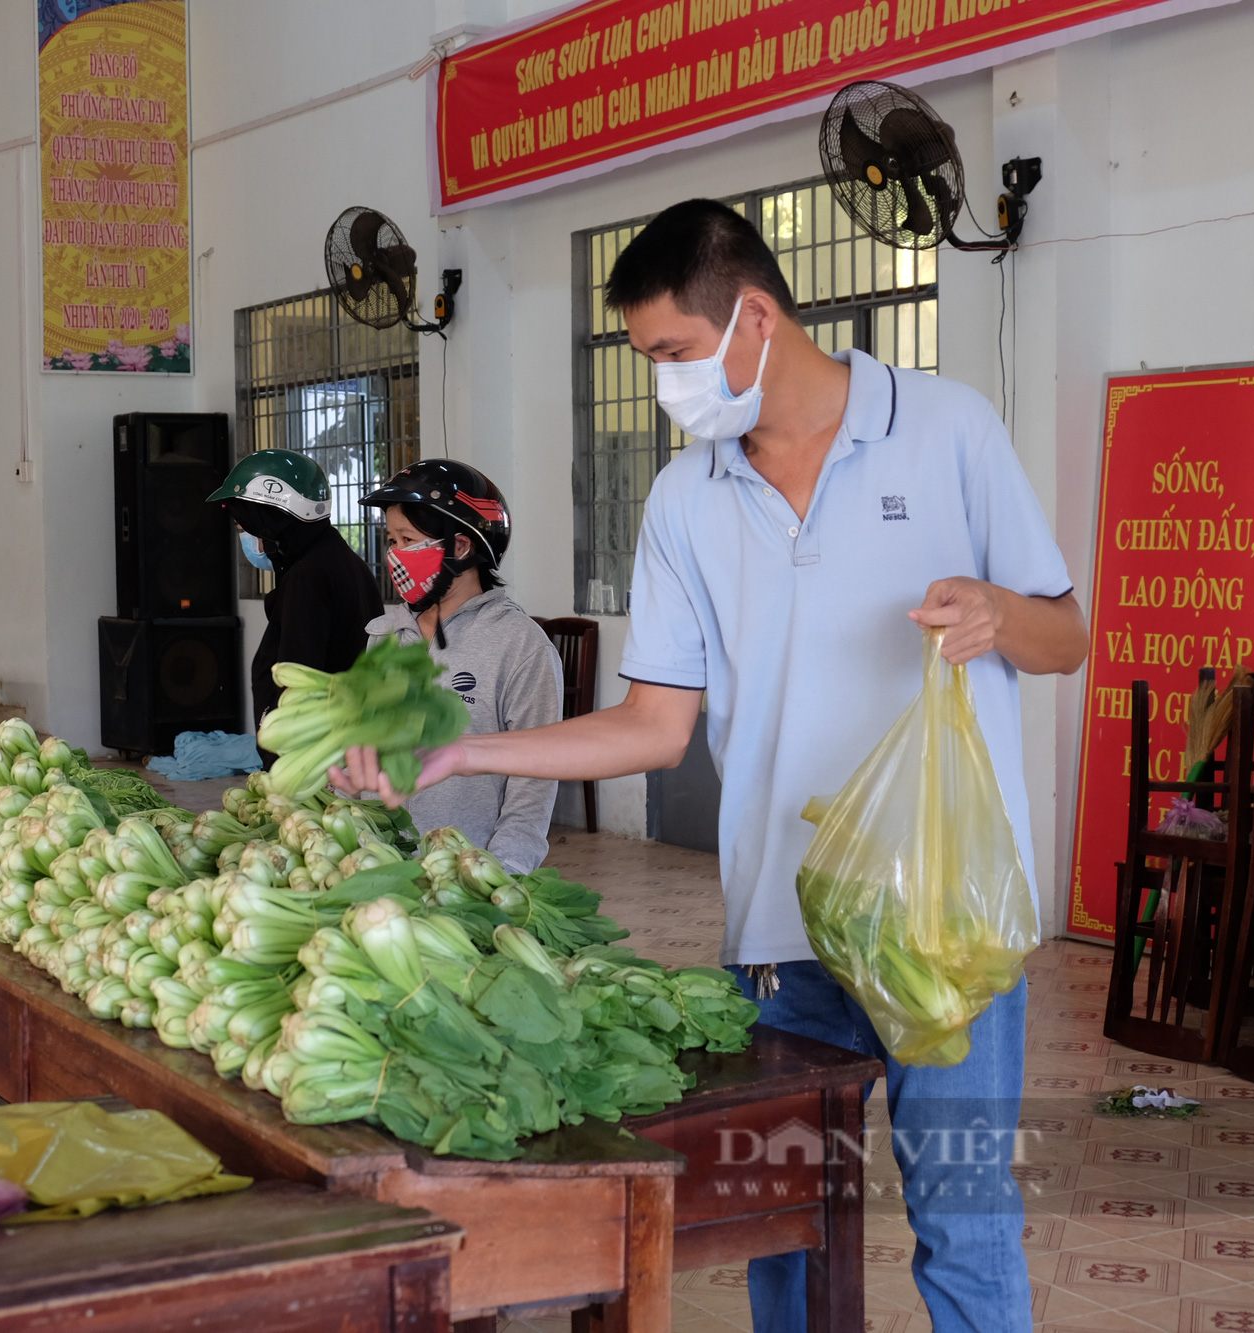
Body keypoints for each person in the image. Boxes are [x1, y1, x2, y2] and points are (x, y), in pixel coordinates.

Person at [335, 199, 1087, 1333]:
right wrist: (458, 746)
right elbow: (651, 724)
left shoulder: (946, 428)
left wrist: (996, 612)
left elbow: (1066, 638)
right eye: (646, 361)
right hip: (785, 934)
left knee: (965, 1218)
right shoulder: (686, 496)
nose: (664, 385)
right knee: (776, 1226)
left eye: (673, 355)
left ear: (754, 317)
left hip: (950, 927)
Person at [361, 460, 562, 873]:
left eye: (408, 539)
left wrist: (500, 873)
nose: (395, 555)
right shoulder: (384, 636)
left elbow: (534, 784)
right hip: (379, 869)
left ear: (460, 547)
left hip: (467, 876)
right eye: (391, 539)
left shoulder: (521, 647)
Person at [205, 449, 383, 730]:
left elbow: (298, 677)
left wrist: (282, 754)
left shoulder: (309, 576)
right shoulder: (341, 561)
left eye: (246, 525)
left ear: (272, 520)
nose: (246, 538)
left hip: (316, 753)